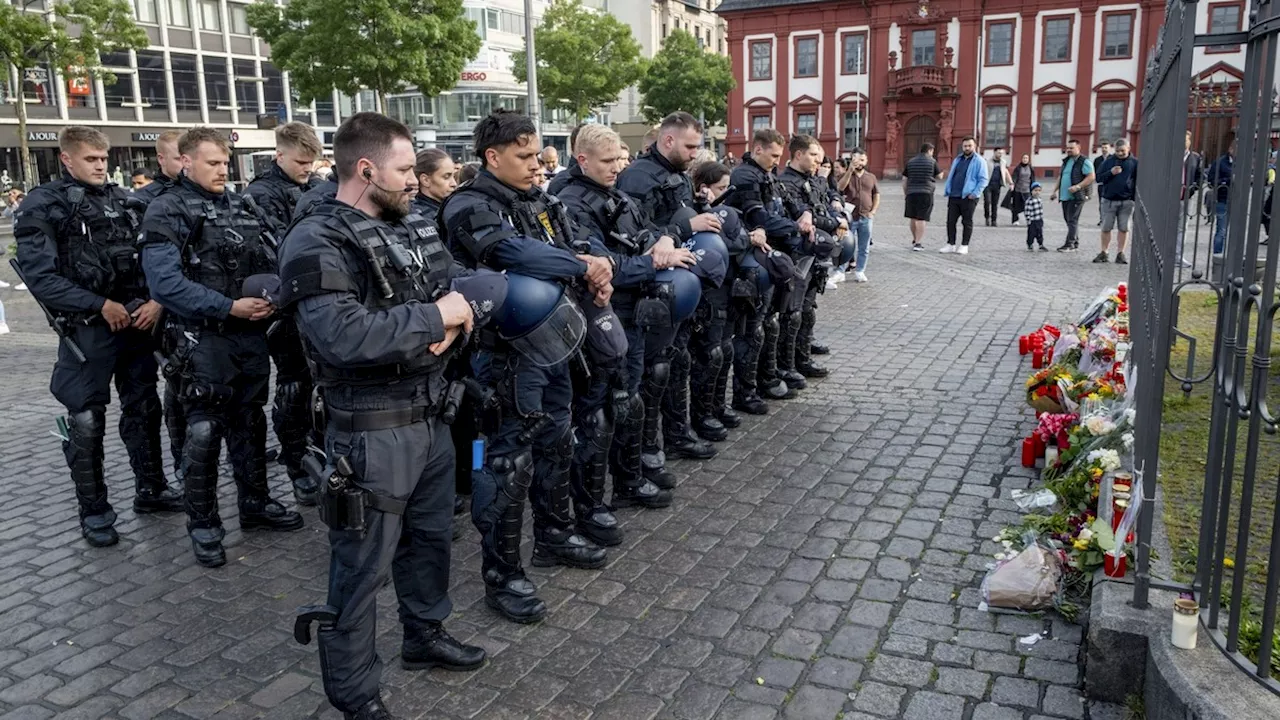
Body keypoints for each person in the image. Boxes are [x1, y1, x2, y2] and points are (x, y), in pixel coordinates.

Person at [281, 112, 486, 720]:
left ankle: (424, 636)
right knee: (362, 565)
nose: (416, 181)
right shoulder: (315, 239)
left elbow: (454, 292)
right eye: (404, 170)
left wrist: (453, 319)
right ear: (366, 170)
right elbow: (341, 337)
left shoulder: (412, 223)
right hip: (370, 430)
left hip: (432, 416)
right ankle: (355, 693)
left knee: (430, 542)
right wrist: (436, 320)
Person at [441, 109, 612, 623]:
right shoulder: (468, 205)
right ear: (492, 157)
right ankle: (502, 575)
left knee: (557, 440)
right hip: (501, 353)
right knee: (505, 460)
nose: (535, 164)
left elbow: (573, 241)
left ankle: (555, 535)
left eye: (537, 154)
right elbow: (509, 252)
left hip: (552, 340)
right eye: (523, 156)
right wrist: (579, 266)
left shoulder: (538, 199)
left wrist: (596, 265)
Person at [139, 127, 304, 567]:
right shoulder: (165, 209)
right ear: (186, 161)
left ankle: (255, 504)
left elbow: (273, 258)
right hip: (199, 338)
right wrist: (228, 306)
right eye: (213, 162)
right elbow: (164, 283)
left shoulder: (240, 204)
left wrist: (274, 297)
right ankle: (204, 522)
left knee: (250, 422)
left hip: (248, 335)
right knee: (204, 431)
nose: (222, 170)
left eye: (225, 162)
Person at [14, 126, 184, 547]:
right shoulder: (45, 205)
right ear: (66, 158)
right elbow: (40, 278)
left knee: (144, 409)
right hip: (88, 330)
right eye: (91, 159)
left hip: (135, 324)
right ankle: (94, 511)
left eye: (104, 159)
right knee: (86, 421)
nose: (100, 166)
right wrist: (97, 305)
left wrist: (154, 301)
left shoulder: (124, 201)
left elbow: (153, 259)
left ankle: (151, 488)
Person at [556, 124, 691, 544]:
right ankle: (590, 506)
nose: (618, 167)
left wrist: (663, 239)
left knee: (628, 402)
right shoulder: (570, 203)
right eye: (608, 161)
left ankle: (628, 479)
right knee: (595, 415)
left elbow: (644, 232)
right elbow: (604, 265)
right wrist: (652, 263)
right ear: (582, 160)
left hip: (632, 317)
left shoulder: (615, 194)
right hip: (601, 319)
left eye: (621, 159)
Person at [617, 111, 723, 486]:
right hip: (648, 290)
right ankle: (645, 454)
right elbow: (633, 234)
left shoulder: (677, 173)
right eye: (691, 146)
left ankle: (674, 438)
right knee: (651, 375)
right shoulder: (638, 177)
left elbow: (677, 218)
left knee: (675, 365)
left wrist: (700, 207)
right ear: (667, 141)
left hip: (678, 286)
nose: (696, 153)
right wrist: (684, 225)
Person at [243, 122, 324, 505]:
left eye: (312, 162)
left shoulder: (314, 189)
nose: (308, 168)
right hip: (283, 303)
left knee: (317, 386)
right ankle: (296, 465)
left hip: (316, 298)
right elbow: (277, 247)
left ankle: (314, 453)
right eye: (301, 161)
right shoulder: (260, 194)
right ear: (279, 155)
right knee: (293, 387)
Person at [724, 128, 807, 401]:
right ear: (758, 149)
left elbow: (786, 204)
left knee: (768, 324)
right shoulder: (745, 175)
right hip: (749, 260)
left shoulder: (766, 174)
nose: (777, 161)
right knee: (752, 329)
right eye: (773, 155)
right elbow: (758, 216)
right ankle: (746, 391)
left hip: (769, 255)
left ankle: (766, 378)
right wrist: (795, 227)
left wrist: (804, 214)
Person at [940, 136, 988, 254]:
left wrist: (975, 193)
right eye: (965, 146)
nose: (967, 148)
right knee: (950, 221)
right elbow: (952, 175)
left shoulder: (979, 161)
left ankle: (964, 245)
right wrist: (948, 189)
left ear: (974, 146)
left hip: (968, 196)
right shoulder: (958, 159)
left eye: (969, 146)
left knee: (967, 221)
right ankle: (950, 244)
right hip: (954, 195)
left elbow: (983, 180)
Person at [837, 148, 878, 281]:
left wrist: (873, 211)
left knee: (864, 247)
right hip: (850, 217)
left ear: (866, 161)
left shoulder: (871, 177)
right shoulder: (846, 175)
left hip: (866, 216)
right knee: (846, 244)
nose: (859, 162)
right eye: (856, 159)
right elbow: (840, 188)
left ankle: (860, 270)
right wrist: (849, 171)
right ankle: (841, 271)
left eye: (862, 159)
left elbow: (876, 195)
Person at [1094, 138, 1137, 265]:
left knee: (1124, 228)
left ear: (1128, 149)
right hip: (1109, 200)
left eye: (1123, 151)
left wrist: (1133, 197)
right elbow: (1099, 178)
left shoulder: (1134, 163)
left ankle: (1120, 253)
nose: (1120, 153)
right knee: (1106, 227)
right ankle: (1104, 252)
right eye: (1118, 151)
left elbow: (1138, 180)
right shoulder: (1108, 162)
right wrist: (1110, 173)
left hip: (1127, 201)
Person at [1053, 139, 1095, 253]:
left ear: (1078, 148)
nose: (1069, 150)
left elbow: (1091, 177)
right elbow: (1061, 177)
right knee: (1068, 220)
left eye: (1071, 148)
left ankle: (1070, 244)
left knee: (1072, 220)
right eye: (1068, 148)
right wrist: (1054, 191)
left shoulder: (1084, 161)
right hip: (1065, 196)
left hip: (1077, 196)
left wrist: (1078, 186)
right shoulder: (1066, 161)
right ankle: (1075, 242)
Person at [902, 143, 943, 251]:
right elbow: (939, 176)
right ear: (929, 150)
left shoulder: (910, 162)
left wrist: (906, 192)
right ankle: (918, 243)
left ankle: (915, 239)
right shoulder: (932, 161)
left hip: (911, 193)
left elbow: (904, 180)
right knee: (921, 218)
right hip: (926, 192)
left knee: (913, 217)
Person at [133, 130, 184, 204]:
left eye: (190, 159)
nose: (187, 164)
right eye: (179, 159)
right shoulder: (143, 198)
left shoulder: (199, 188)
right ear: (161, 159)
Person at [1178, 131, 1203, 267]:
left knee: (1183, 228)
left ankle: (1178, 255)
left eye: (1186, 140)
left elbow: (1200, 175)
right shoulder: (1171, 155)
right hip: (1171, 198)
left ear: (1190, 141)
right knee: (1168, 226)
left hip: (1187, 197)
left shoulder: (1195, 157)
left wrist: (1193, 188)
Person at [1208, 138, 1235, 255]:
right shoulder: (1220, 162)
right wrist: (1228, 180)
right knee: (1221, 230)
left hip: (1238, 200)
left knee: (1235, 231)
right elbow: (1211, 180)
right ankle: (1217, 255)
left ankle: (1233, 256)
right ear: (1230, 149)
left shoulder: (1244, 162)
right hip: (1223, 199)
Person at [982, 148, 1013, 227]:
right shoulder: (987, 162)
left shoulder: (1003, 162)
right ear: (994, 152)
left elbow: (1006, 172)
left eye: (1001, 153)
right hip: (987, 185)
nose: (1000, 155)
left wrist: (1011, 183)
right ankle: (987, 217)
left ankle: (994, 220)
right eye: (999, 153)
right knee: (987, 201)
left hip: (997, 185)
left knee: (994, 204)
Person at [1009, 154, 1034, 225]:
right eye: (1024, 158)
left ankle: (1028, 220)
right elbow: (1014, 177)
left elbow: (1032, 178)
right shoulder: (1018, 168)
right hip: (1018, 189)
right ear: (1022, 159)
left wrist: (1033, 187)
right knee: (1016, 206)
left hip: (1027, 190)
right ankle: (1015, 220)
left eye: (1026, 158)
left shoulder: (1030, 168)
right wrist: (1012, 184)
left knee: (1028, 206)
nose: (1025, 159)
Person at [1093, 141, 1112, 226]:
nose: (1104, 149)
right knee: (1101, 202)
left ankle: (1110, 219)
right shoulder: (1097, 160)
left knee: (1111, 202)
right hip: (1101, 184)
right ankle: (1102, 219)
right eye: (1103, 148)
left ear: (1109, 148)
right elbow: (1095, 172)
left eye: (1106, 148)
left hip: (1111, 184)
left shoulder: (1113, 159)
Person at [1024, 182, 1046, 251]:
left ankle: (1041, 244)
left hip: (1039, 219)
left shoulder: (1039, 199)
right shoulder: (1029, 201)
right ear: (1031, 191)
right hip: (1032, 220)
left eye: (1039, 190)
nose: (1037, 192)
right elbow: (1027, 211)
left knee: (1040, 233)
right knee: (1031, 233)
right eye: (1035, 190)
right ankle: (1030, 244)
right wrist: (1028, 219)